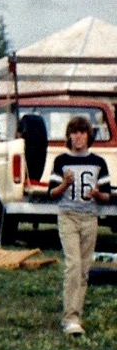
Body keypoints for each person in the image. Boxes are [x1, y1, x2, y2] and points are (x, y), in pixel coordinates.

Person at [48, 115, 112, 336]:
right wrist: (65, 183)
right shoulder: (61, 161)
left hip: (89, 217)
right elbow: (52, 193)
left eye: (82, 133)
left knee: (84, 268)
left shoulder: (98, 162)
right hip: (68, 216)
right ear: (68, 137)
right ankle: (70, 318)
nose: (78, 137)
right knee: (73, 265)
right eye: (74, 133)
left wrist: (97, 194)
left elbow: (108, 196)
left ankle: (77, 313)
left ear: (88, 136)